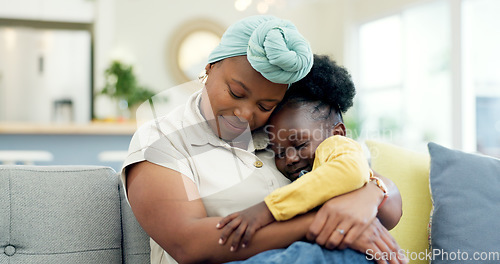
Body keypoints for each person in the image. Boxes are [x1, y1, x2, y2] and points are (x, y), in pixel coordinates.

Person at [123, 15, 405, 264]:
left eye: (264, 105)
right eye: (235, 92)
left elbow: (383, 200)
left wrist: (368, 196)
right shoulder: (161, 139)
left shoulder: (281, 133)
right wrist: (323, 222)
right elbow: (190, 245)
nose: (245, 115)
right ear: (210, 67)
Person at [216, 55, 385, 253]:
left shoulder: (340, 147)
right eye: (278, 153)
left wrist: (268, 209)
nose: (290, 158)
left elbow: (349, 172)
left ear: (337, 133)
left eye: (300, 144)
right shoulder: (304, 171)